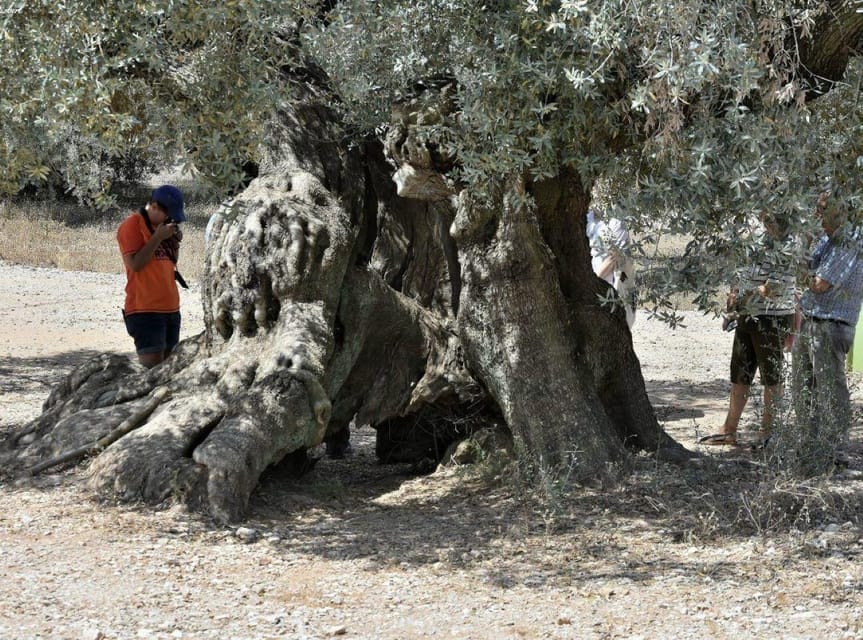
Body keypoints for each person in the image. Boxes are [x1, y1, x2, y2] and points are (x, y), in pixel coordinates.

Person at [699, 214, 797, 447]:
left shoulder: (790, 243)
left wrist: (744, 293)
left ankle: (769, 434)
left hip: (772, 317)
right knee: (740, 373)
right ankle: (729, 430)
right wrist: (735, 291)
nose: (765, 219)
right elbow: (743, 268)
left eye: (770, 216)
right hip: (748, 315)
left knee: (772, 378)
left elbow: (774, 288)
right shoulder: (760, 237)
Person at [791, 194, 863, 471]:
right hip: (811, 320)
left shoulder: (849, 240)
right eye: (817, 209)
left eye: (823, 210)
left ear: (840, 210)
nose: (817, 215)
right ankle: (809, 446)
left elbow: (820, 283)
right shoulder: (825, 239)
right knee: (803, 387)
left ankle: (833, 451)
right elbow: (802, 270)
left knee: (830, 390)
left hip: (831, 324)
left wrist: (802, 273)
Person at [117, 184, 187, 368]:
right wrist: (157, 238)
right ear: (154, 207)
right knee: (152, 370)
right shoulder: (132, 225)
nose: (171, 220)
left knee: (169, 368)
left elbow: (171, 263)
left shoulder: (161, 229)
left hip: (171, 309)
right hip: (145, 311)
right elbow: (135, 264)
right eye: (169, 215)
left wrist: (174, 243)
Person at [586, 208, 637, 327]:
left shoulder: (616, 222)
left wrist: (592, 280)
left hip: (608, 287)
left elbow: (614, 258)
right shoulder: (586, 219)